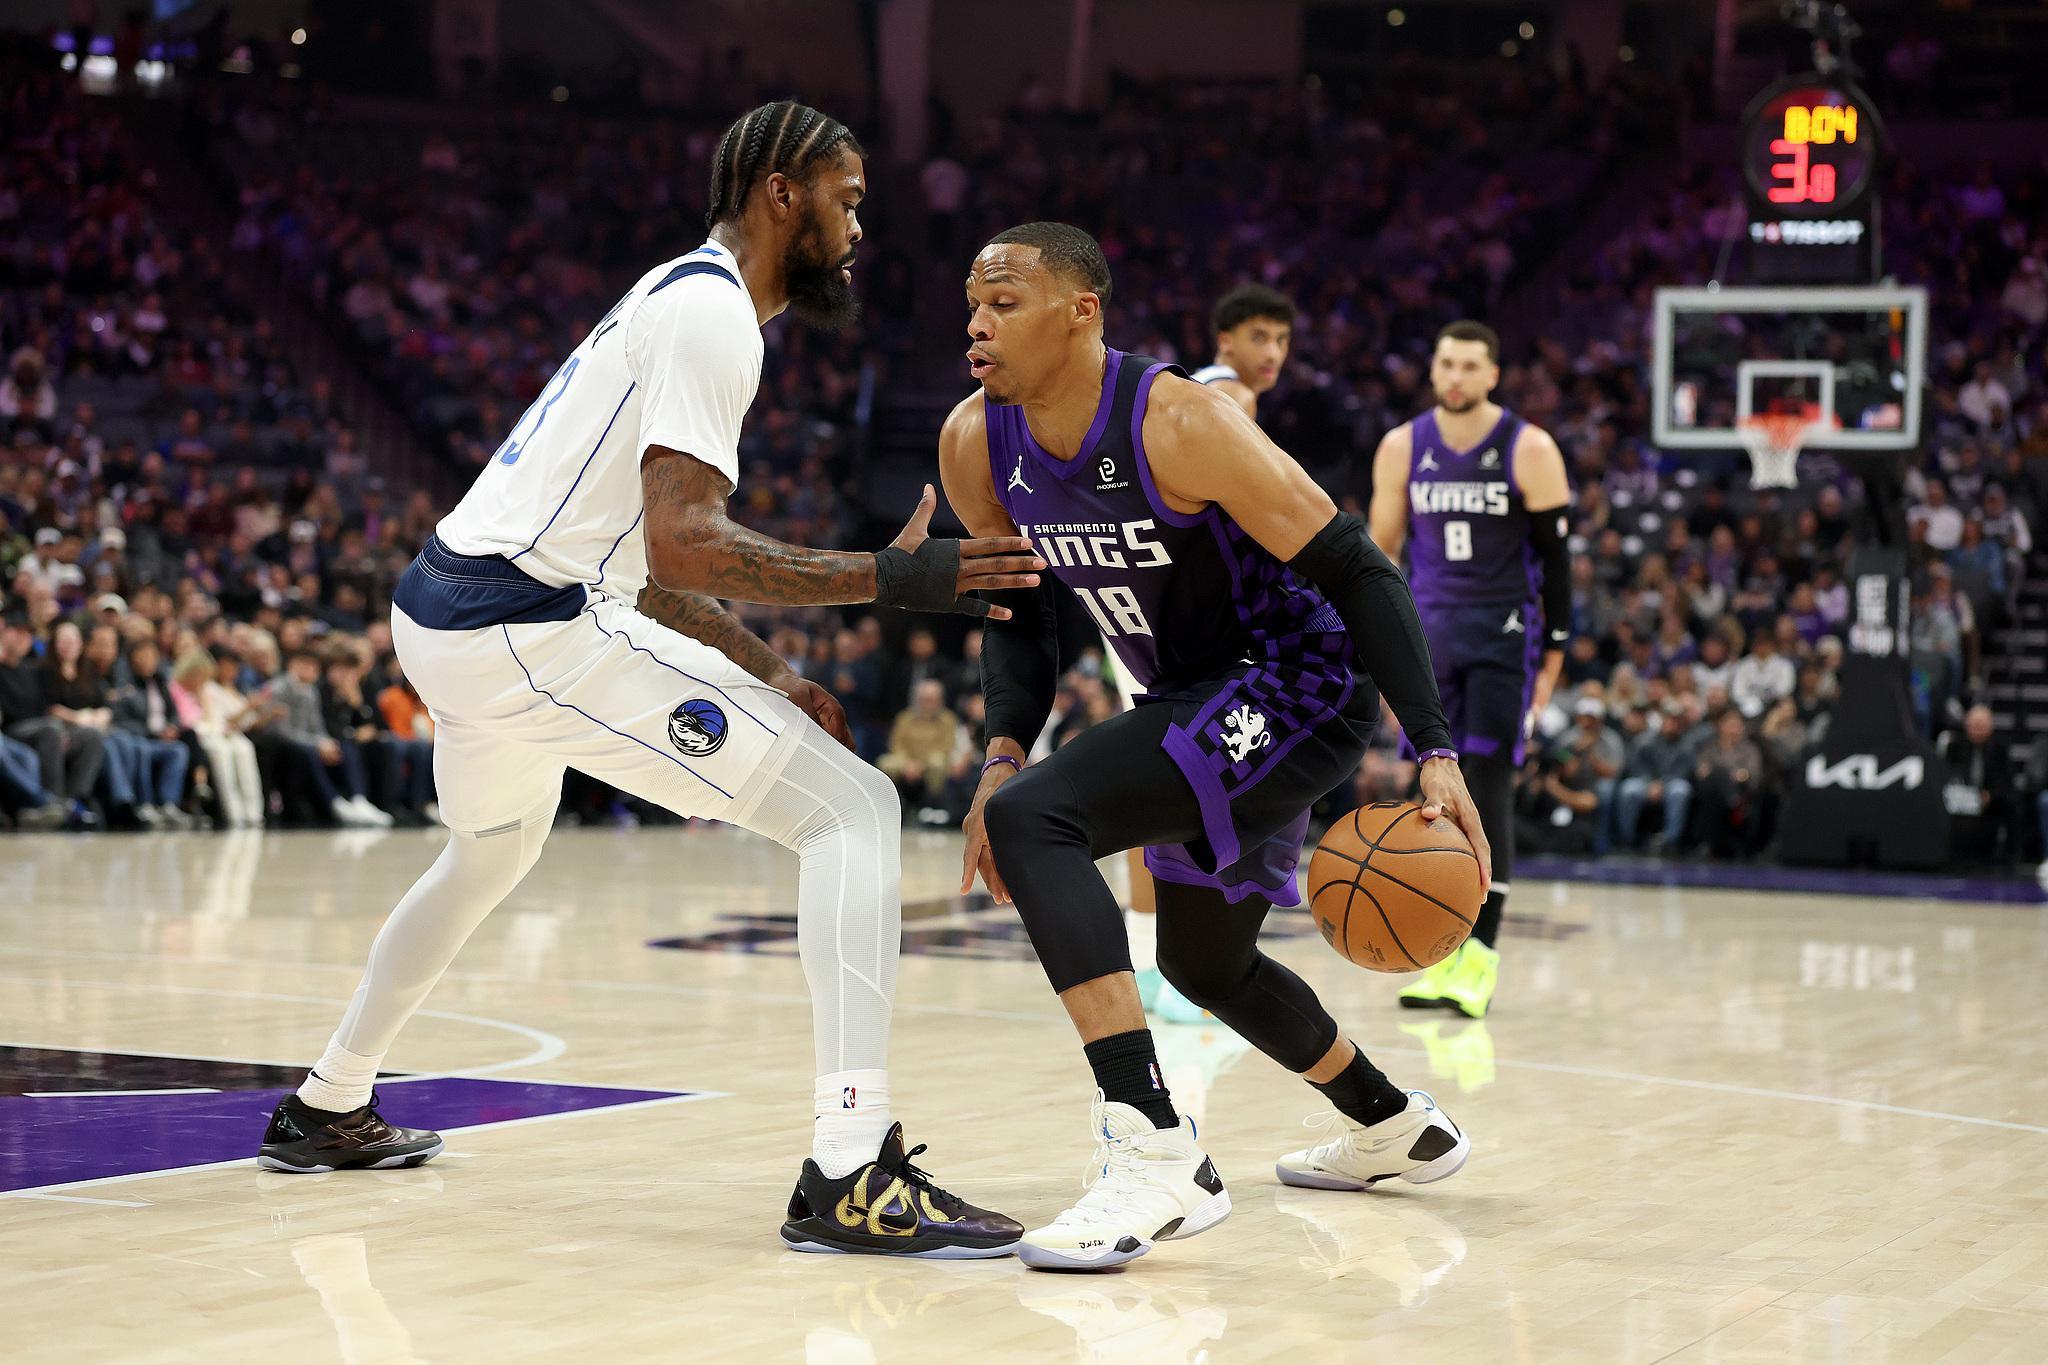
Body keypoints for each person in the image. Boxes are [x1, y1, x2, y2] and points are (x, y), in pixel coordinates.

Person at [258, 102, 1027, 1261]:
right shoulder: (712, 318)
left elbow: (635, 559)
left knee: (488, 855)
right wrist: (889, 576)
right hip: (527, 632)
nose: (859, 228)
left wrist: (766, 667)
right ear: (781, 193)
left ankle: (328, 1101)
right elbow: (685, 543)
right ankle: (847, 1169)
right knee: (854, 811)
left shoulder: (671, 293)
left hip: (448, 613)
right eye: (847, 200)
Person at [942, 222, 1488, 1271]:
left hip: (1299, 683)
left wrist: (1434, 745)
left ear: (1081, 312)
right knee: (1202, 961)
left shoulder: (1178, 421)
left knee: (1036, 821)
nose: (977, 323)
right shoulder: (976, 440)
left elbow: (1359, 567)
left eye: (1004, 302)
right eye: (972, 303)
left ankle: (1155, 1150)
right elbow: (1018, 614)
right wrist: (1001, 750)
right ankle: (1392, 1126)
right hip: (1191, 698)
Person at [1368, 320, 1572, 1020]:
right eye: (1446, 363)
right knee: (1429, 794)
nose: (1455, 376)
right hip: (1429, 638)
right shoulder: (1402, 445)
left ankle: (1479, 956)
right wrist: (1380, 651)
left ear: (1492, 374)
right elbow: (1380, 555)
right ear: (1433, 370)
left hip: (1503, 638)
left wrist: (1554, 660)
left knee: (1486, 788)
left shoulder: (1530, 447)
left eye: (1469, 365)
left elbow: (1558, 567)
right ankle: (1439, 949)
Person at [1131, 283, 1296, 1027]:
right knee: (1192, 791)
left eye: (1282, 341)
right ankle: (1178, 964)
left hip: (1145, 606)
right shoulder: (1230, 399)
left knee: (1159, 794)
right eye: (1260, 336)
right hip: (1188, 619)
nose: (1273, 353)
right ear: (1225, 340)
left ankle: (1148, 959)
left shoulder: (1184, 392)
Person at [171, 649, 266, 828]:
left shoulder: (206, 689)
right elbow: (188, 721)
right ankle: (233, 812)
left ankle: (254, 812)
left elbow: (215, 718)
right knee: (222, 752)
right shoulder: (176, 689)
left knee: (244, 748)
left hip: (217, 731)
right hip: (199, 736)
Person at [876, 678, 973, 825]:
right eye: (923, 700)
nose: (927, 704)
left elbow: (947, 747)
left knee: (937, 763)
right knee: (885, 762)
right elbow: (896, 744)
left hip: (931, 762)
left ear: (940, 701)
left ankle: (932, 805)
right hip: (906, 761)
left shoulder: (948, 720)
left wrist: (920, 765)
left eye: (931, 700)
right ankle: (891, 806)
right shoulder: (904, 718)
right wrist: (908, 763)